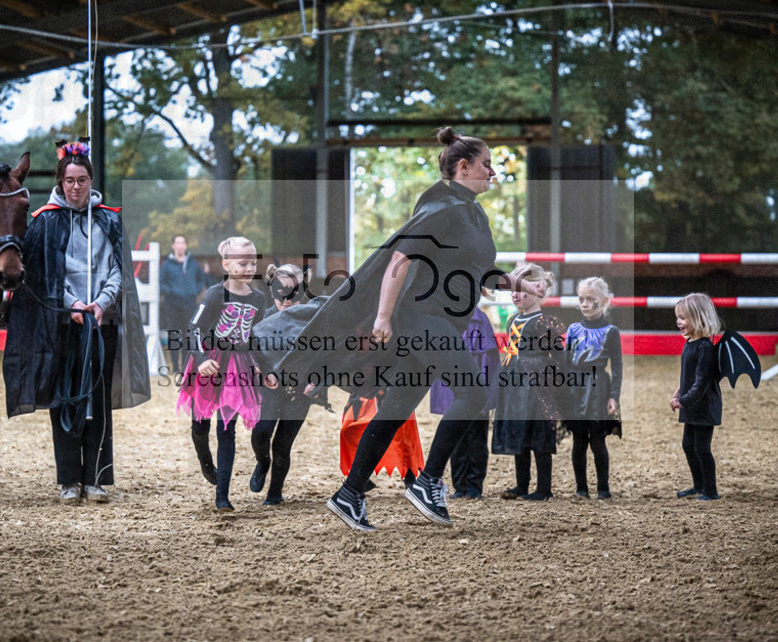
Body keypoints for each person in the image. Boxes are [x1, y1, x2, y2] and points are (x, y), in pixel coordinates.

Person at [253, 127, 545, 531]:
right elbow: (398, 261)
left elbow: (479, 271)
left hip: (439, 321)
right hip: (424, 320)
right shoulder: (443, 208)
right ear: (464, 167)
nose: (492, 172)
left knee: (395, 409)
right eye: (486, 164)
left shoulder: (471, 212)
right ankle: (428, 483)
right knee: (474, 392)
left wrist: (521, 284)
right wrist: (382, 317)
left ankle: (349, 494)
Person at [3, 138, 150, 505]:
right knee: (64, 398)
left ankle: (96, 479)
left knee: (97, 400)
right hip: (63, 325)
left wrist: (101, 303)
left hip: (102, 323)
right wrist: (72, 303)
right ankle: (69, 479)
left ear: (90, 180)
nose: (75, 187)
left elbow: (120, 271)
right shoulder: (44, 221)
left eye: (82, 180)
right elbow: (43, 275)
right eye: (69, 180)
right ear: (60, 181)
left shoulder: (109, 219)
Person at [177, 236, 270, 512]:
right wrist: (202, 359)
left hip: (237, 366)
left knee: (226, 428)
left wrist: (264, 366)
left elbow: (254, 335)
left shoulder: (258, 298)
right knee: (200, 426)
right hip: (209, 362)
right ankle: (204, 457)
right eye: (242, 262)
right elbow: (193, 330)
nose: (249, 267)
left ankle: (222, 496)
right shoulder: (215, 294)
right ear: (226, 264)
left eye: (253, 262)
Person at [492, 263, 569, 501]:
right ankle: (521, 485)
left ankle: (544, 488)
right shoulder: (512, 320)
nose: (514, 294)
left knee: (538, 433)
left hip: (537, 385)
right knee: (519, 430)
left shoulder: (546, 322)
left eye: (520, 289)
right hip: (514, 383)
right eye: (512, 289)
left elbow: (558, 357)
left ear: (538, 290)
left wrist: (558, 387)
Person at [248, 263, 318, 506]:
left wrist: (317, 381)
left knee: (282, 444)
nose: (287, 299)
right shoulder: (262, 318)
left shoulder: (312, 321)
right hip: (268, 388)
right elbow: (249, 349)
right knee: (261, 432)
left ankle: (274, 493)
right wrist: (254, 367)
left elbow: (324, 356)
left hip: (299, 392)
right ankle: (262, 462)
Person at [560, 276, 623, 500]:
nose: (585, 303)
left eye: (590, 299)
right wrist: (564, 392)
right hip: (575, 389)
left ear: (604, 301)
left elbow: (617, 367)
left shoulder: (611, 331)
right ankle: (581, 488)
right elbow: (566, 363)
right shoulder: (573, 329)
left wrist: (613, 396)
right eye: (581, 299)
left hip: (598, 389)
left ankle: (603, 489)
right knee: (579, 440)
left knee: (597, 440)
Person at [429, 306, 500, 499]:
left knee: (477, 442)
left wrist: (485, 396)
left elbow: (488, 362)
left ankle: (474, 487)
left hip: (476, 394)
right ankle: (460, 487)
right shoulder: (443, 318)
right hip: (454, 394)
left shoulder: (480, 320)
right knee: (456, 442)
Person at [670, 292, 723, 501]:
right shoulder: (690, 343)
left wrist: (682, 400)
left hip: (704, 405)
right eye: (678, 317)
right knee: (688, 445)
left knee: (702, 448)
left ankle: (711, 490)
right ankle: (698, 485)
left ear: (699, 319)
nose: (678, 322)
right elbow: (689, 375)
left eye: (683, 318)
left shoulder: (705, 348)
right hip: (691, 404)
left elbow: (701, 383)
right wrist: (679, 390)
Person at [160, 234, 209, 373]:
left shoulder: (193, 263)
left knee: (189, 336)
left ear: (185, 246)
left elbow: (201, 279)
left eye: (182, 242)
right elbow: (162, 284)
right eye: (177, 242)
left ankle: (185, 367)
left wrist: (195, 290)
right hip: (172, 305)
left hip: (189, 305)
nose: (180, 245)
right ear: (173, 246)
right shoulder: (167, 265)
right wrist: (173, 291)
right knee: (174, 336)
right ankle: (175, 368)